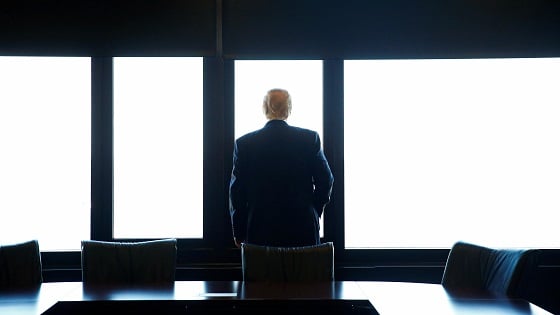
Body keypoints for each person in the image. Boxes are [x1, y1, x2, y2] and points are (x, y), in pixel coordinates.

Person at [229, 88, 334, 248]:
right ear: (289, 109)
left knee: (264, 273)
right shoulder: (309, 139)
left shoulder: (244, 144)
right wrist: (313, 210)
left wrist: (239, 230)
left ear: (265, 109)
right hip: (302, 226)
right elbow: (326, 180)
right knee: (303, 272)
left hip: (259, 228)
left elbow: (236, 192)